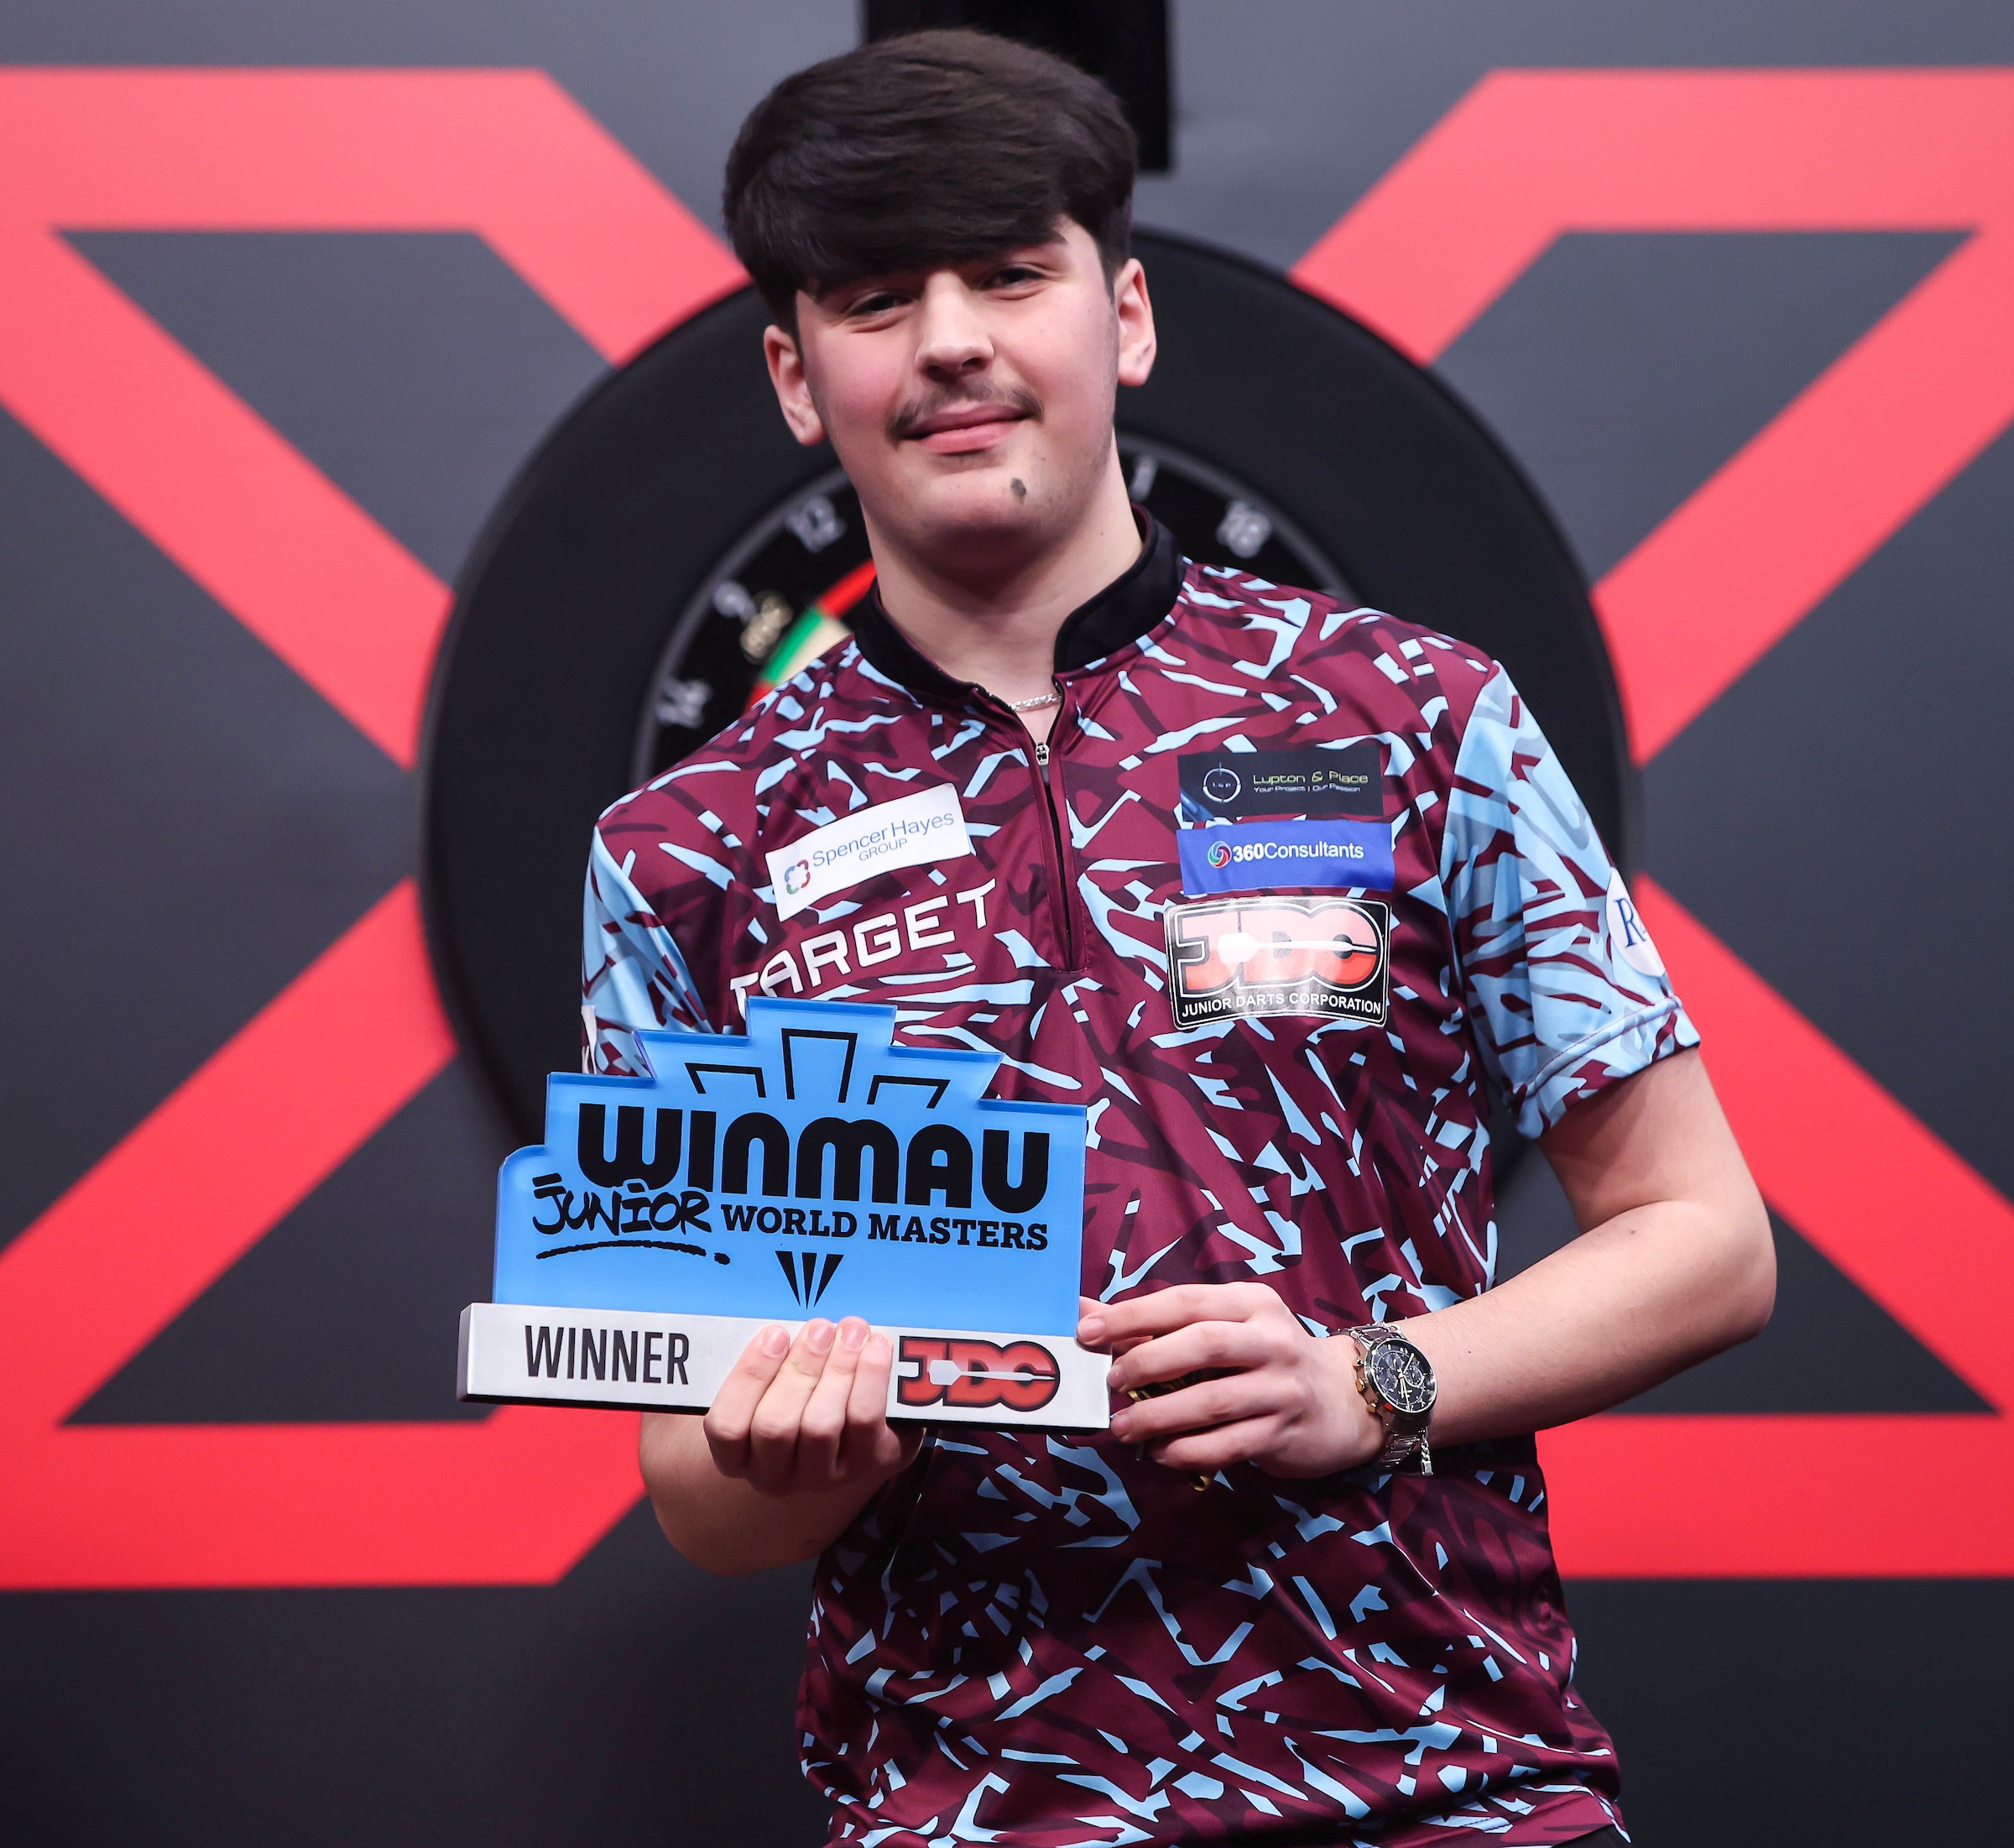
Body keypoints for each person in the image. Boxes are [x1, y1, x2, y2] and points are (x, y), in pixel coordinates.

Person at [585, 29, 1773, 1847]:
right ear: (796, 377)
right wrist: (816, 1442)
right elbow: (695, 1495)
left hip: (1450, 1782)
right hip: (976, 1807)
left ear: (1124, 316)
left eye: (1011, 274)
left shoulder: (1415, 715)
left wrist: (1369, 1381)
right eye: (879, 298)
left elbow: (1705, 1240)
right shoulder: (690, 848)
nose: (952, 341)